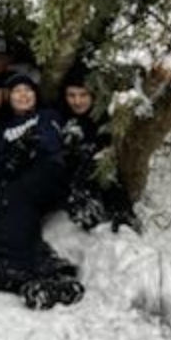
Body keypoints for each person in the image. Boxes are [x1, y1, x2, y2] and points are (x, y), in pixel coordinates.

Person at [0, 73, 84, 310]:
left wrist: (31, 146)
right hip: (22, 183)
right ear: (9, 98)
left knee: (15, 194)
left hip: (51, 173)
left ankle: (17, 266)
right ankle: (36, 271)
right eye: (17, 91)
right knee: (6, 201)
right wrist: (8, 166)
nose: (23, 94)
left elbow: (53, 143)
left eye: (28, 90)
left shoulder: (47, 115)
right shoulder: (4, 130)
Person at [60, 64, 139, 233]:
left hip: (99, 176)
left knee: (104, 172)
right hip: (69, 184)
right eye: (71, 95)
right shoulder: (62, 117)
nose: (77, 101)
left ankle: (123, 219)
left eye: (83, 95)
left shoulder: (104, 119)